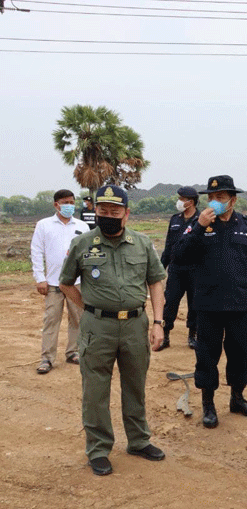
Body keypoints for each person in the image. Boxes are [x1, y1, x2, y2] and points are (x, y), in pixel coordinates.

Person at [59, 184, 167, 476]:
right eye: (103, 210)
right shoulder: (82, 243)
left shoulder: (142, 243)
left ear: (126, 214)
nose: (108, 216)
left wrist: (158, 322)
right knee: (95, 391)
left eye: (114, 212)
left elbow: (155, 282)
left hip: (135, 325)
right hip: (97, 328)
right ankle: (98, 449)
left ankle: (139, 441)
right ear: (96, 211)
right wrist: (90, 307)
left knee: (135, 386)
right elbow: (66, 283)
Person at [172, 175, 247, 429]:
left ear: (232, 200)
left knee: (239, 353)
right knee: (207, 356)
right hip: (208, 304)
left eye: (220, 197)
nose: (214, 201)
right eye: (211, 197)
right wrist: (199, 226)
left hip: (239, 304)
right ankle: (209, 404)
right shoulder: (198, 225)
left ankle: (237, 398)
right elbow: (178, 255)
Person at [31, 189, 90, 374]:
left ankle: (73, 352)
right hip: (53, 283)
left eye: (72, 202)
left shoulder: (82, 226)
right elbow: (36, 251)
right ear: (56, 205)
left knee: (78, 319)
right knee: (51, 320)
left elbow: (88, 253)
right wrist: (40, 278)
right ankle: (47, 358)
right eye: (65, 203)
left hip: (76, 282)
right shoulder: (44, 225)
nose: (69, 206)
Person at [156, 186, 200, 351]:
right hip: (176, 269)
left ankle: (193, 335)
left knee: (194, 303)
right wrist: (161, 267)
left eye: (182, 199)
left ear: (191, 202)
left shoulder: (200, 220)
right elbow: (168, 246)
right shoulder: (175, 219)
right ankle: (165, 335)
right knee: (170, 302)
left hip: (195, 269)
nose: (179, 202)